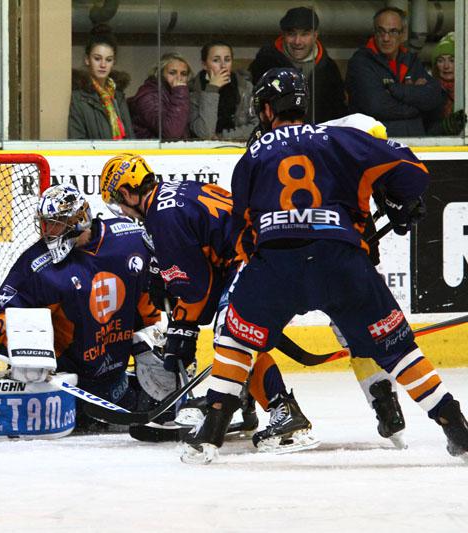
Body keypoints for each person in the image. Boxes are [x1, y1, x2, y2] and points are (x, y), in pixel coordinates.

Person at [182, 67, 468, 465]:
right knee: (399, 349)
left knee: (235, 339)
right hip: (341, 262)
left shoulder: (253, 155)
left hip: (276, 265)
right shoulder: (340, 138)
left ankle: (210, 433)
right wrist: (392, 199)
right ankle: (456, 428)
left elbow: (242, 233)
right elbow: (414, 173)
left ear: (268, 109)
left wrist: (266, 264)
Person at [0, 184, 171, 444]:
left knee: (166, 394)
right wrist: (29, 357)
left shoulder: (129, 239)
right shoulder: (37, 265)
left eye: (55, 224)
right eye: (44, 224)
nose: (47, 232)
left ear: (79, 220)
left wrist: (150, 337)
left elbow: (150, 288)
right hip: (62, 392)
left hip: (115, 384)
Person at [99, 153, 321, 454]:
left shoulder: (162, 218)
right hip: (264, 255)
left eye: (118, 201)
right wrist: (182, 317)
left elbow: (198, 290)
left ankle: (285, 414)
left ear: (127, 193)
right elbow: (208, 270)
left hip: (255, 260)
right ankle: (244, 397)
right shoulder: (174, 193)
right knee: (238, 336)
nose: (122, 210)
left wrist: (182, 328)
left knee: (234, 337)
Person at [345, 7, 443, 137]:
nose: (386, 38)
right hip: (376, 144)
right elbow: (377, 107)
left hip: (415, 143)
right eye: (381, 31)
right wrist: (418, 105)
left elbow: (435, 96)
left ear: (403, 34)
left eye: (393, 31)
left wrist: (397, 90)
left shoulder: (410, 60)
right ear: (374, 32)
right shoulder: (361, 62)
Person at [249, 6, 346, 124]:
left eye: (305, 34)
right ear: (283, 35)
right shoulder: (264, 63)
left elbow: (338, 114)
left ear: (315, 36)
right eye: (291, 34)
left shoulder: (329, 69)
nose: (297, 41)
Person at [69, 28, 133, 140]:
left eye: (108, 60)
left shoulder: (118, 96)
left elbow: (130, 138)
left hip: (121, 152)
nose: (103, 65)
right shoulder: (78, 98)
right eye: (97, 59)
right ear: (87, 60)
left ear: (113, 62)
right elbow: (77, 141)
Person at [190, 41, 257, 140]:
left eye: (227, 60)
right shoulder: (192, 91)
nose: (223, 65)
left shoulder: (245, 87)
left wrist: (223, 136)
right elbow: (205, 133)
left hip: (239, 146)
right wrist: (212, 89)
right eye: (216, 60)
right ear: (204, 65)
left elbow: (258, 126)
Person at [128, 52, 192, 140]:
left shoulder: (181, 94)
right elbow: (172, 133)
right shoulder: (148, 95)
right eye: (172, 73)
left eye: (183, 74)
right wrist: (180, 92)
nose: (179, 78)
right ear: (160, 73)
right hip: (150, 148)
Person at [428, 32, 466, 136]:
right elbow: (423, 131)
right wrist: (444, 127)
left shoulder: (465, 91)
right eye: (440, 61)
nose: (446, 66)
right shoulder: (429, 91)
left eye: (452, 60)